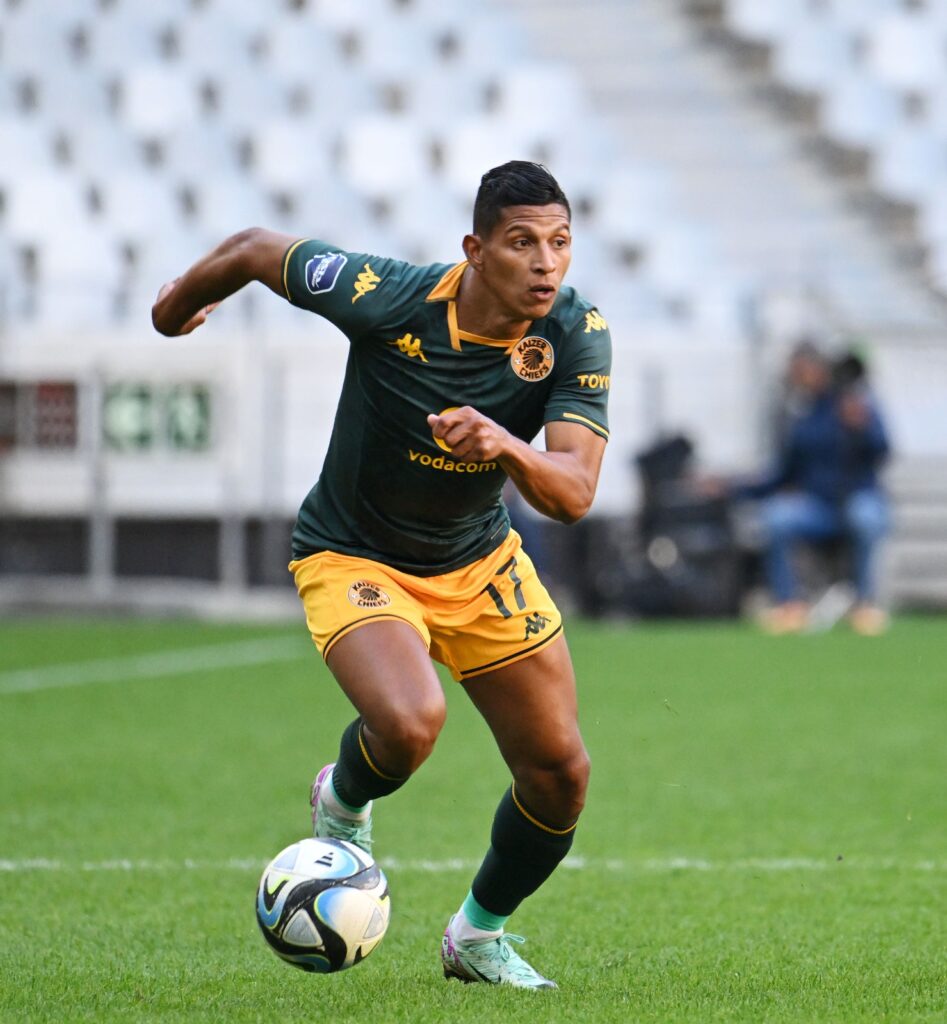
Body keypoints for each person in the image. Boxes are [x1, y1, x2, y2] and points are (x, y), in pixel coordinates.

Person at [152, 161, 612, 988]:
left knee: (559, 775)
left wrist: (504, 444)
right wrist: (172, 310)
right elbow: (255, 249)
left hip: (479, 562)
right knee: (409, 725)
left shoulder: (575, 331)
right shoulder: (390, 297)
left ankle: (477, 938)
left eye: (559, 242)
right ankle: (343, 795)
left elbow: (574, 493)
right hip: (353, 554)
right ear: (475, 250)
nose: (546, 263)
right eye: (522, 243)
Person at [737, 343, 891, 635]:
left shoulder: (859, 406)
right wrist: (738, 490)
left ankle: (865, 604)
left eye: (804, 371)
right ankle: (790, 606)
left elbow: (882, 450)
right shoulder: (803, 416)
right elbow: (784, 472)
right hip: (819, 507)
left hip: (856, 499)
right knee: (777, 517)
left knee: (866, 517)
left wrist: (861, 427)